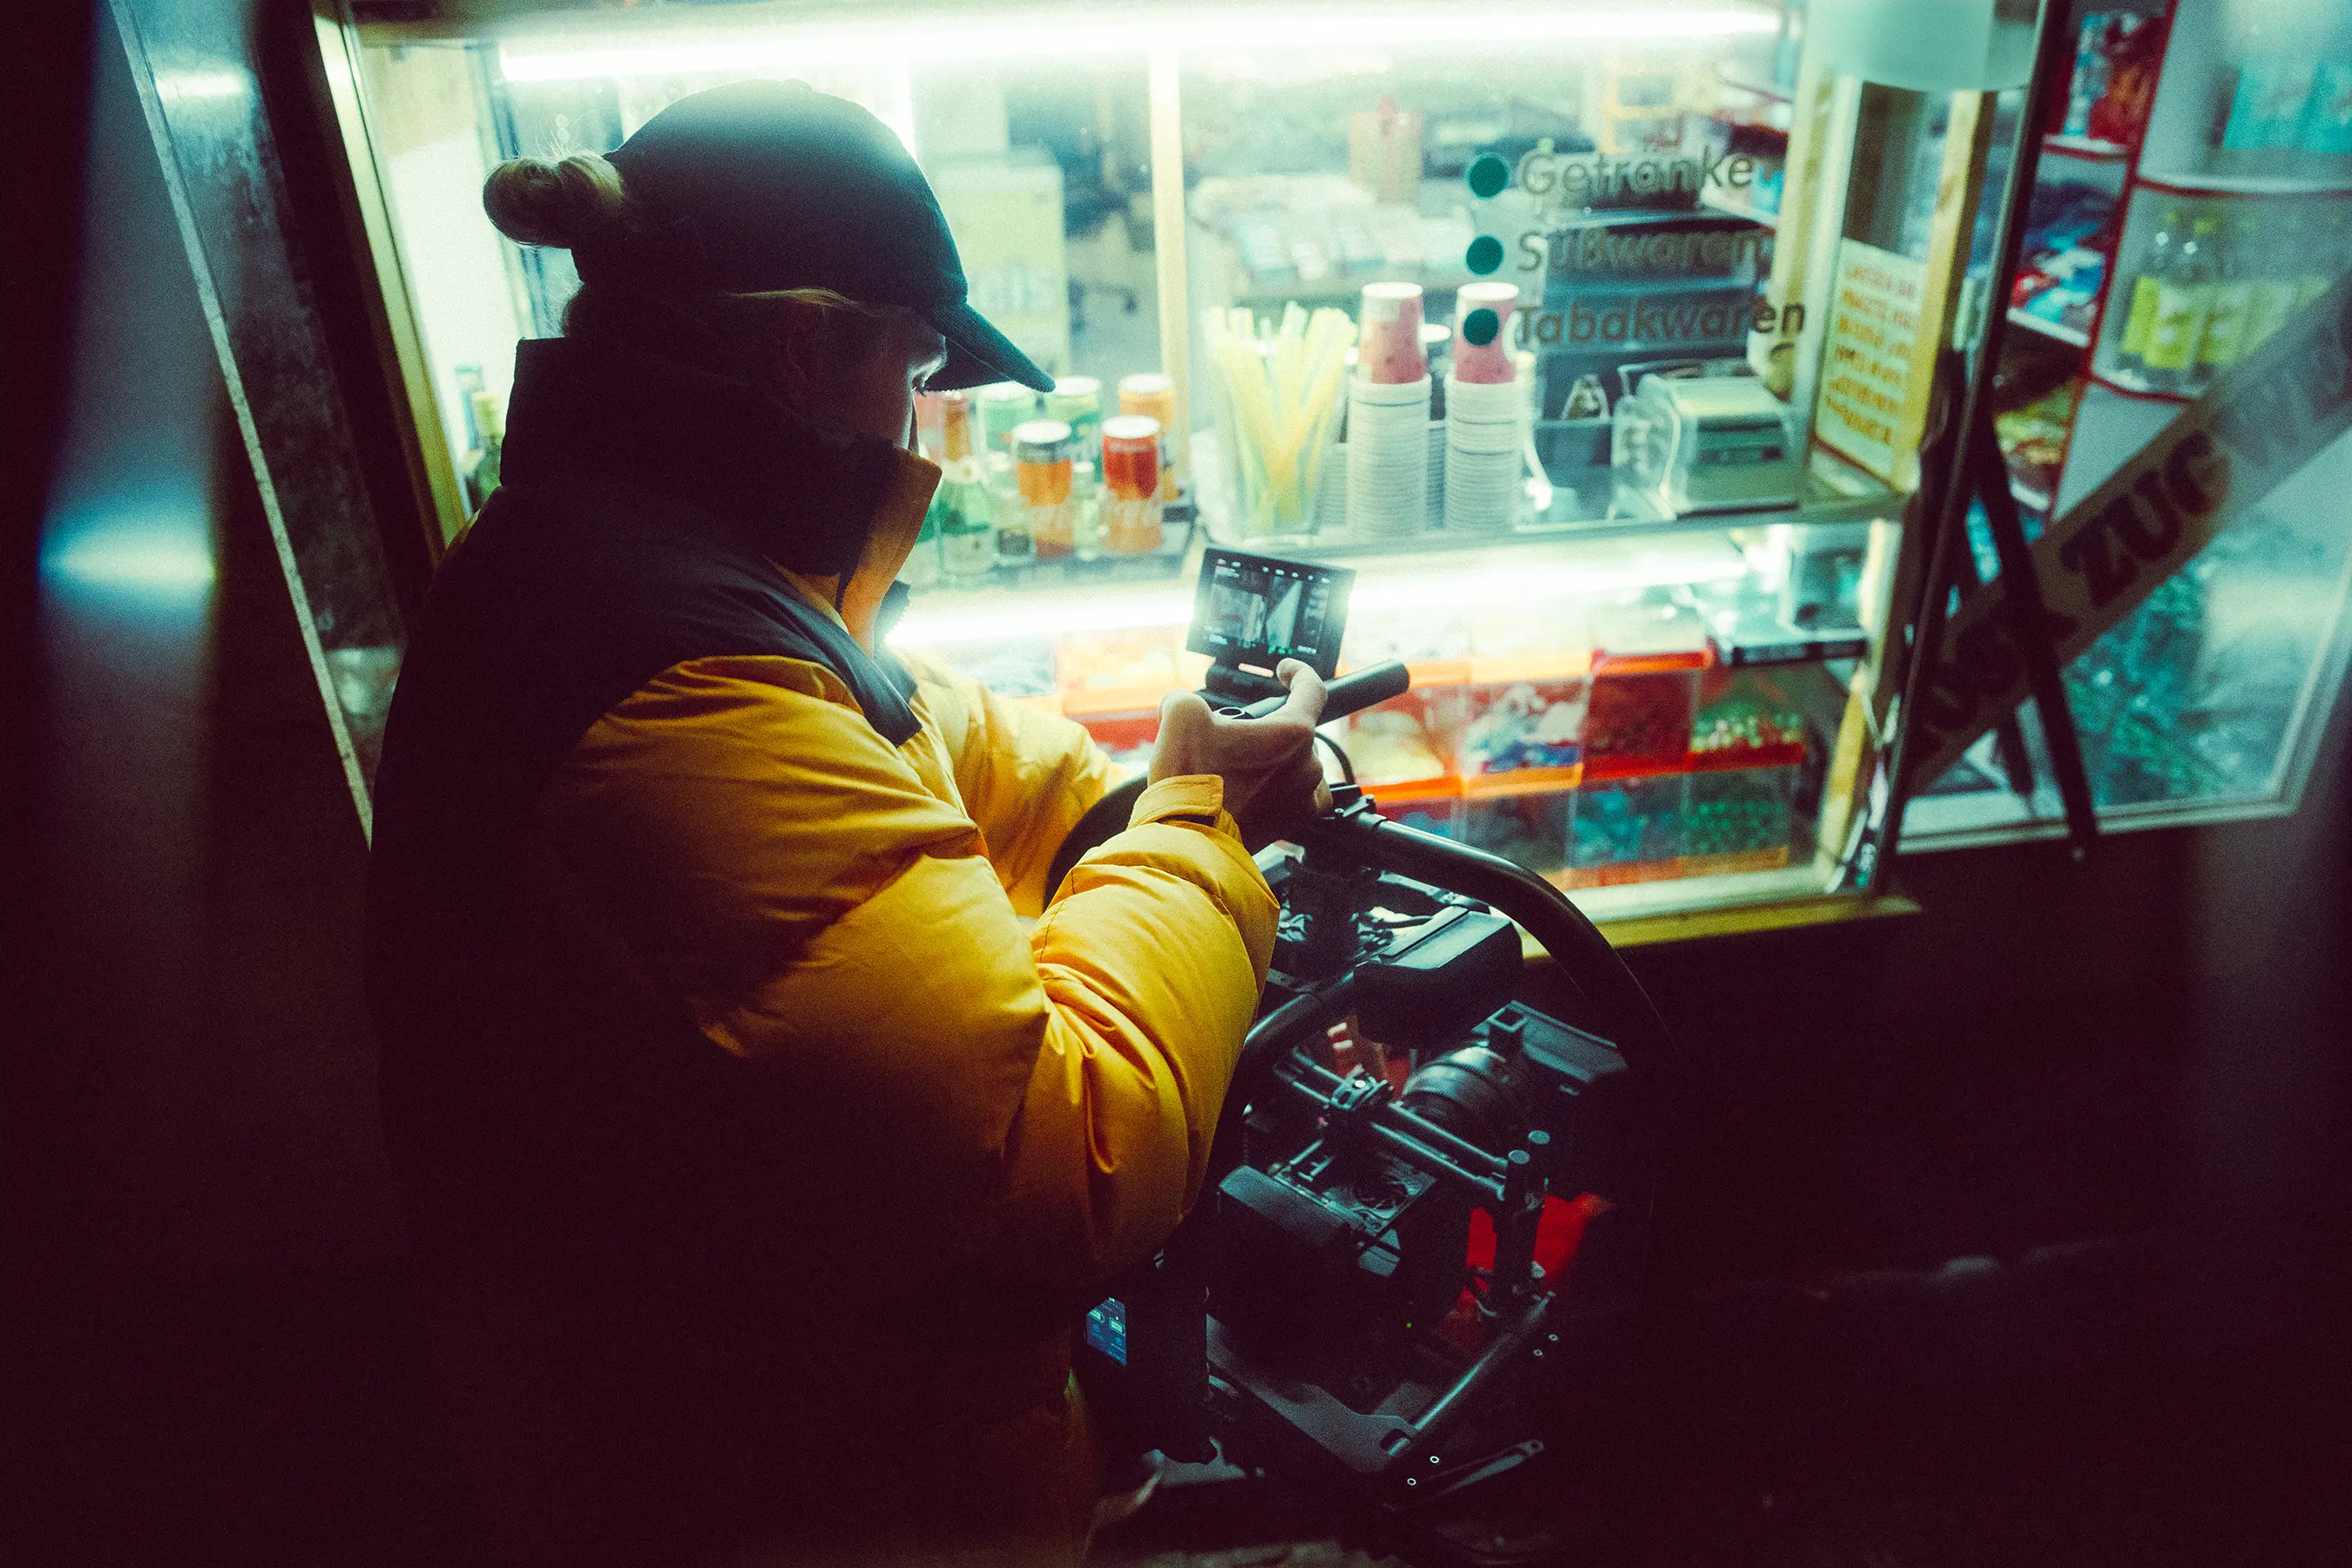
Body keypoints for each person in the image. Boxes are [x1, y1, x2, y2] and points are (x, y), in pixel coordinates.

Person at [362, 81, 1328, 1567]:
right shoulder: (664, 684)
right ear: (813, 350)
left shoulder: (643, 568)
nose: (919, 422)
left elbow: (912, 736)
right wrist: (1195, 833)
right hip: (787, 1489)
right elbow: (1057, 1153)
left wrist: (1140, 796)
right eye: (918, 368)